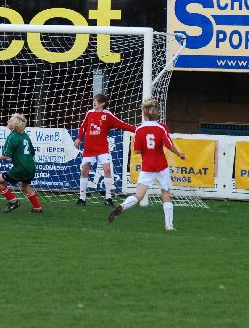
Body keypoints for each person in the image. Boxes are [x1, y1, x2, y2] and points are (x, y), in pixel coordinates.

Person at [108, 98, 185, 231]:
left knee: (139, 195)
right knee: (166, 194)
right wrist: (179, 153)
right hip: (161, 166)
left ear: (144, 114)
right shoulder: (162, 127)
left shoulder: (139, 129)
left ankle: (123, 206)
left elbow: (137, 150)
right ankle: (169, 226)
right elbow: (168, 145)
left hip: (147, 166)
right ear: (157, 114)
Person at [74, 94, 135, 206]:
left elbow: (121, 124)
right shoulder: (89, 113)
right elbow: (83, 127)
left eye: (96, 101)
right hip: (89, 147)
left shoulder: (107, 115)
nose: (94, 102)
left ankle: (108, 198)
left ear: (103, 103)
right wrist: (78, 138)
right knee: (84, 170)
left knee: (107, 169)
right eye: (94, 100)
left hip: (102, 147)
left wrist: (137, 129)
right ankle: (82, 198)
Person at [0, 113, 43, 214]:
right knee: (25, 185)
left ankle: (13, 201)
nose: (7, 121)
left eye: (10, 120)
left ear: (15, 124)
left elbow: (6, 155)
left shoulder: (12, 137)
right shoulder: (25, 135)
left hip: (21, 168)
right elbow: (32, 152)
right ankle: (37, 208)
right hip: (31, 167)